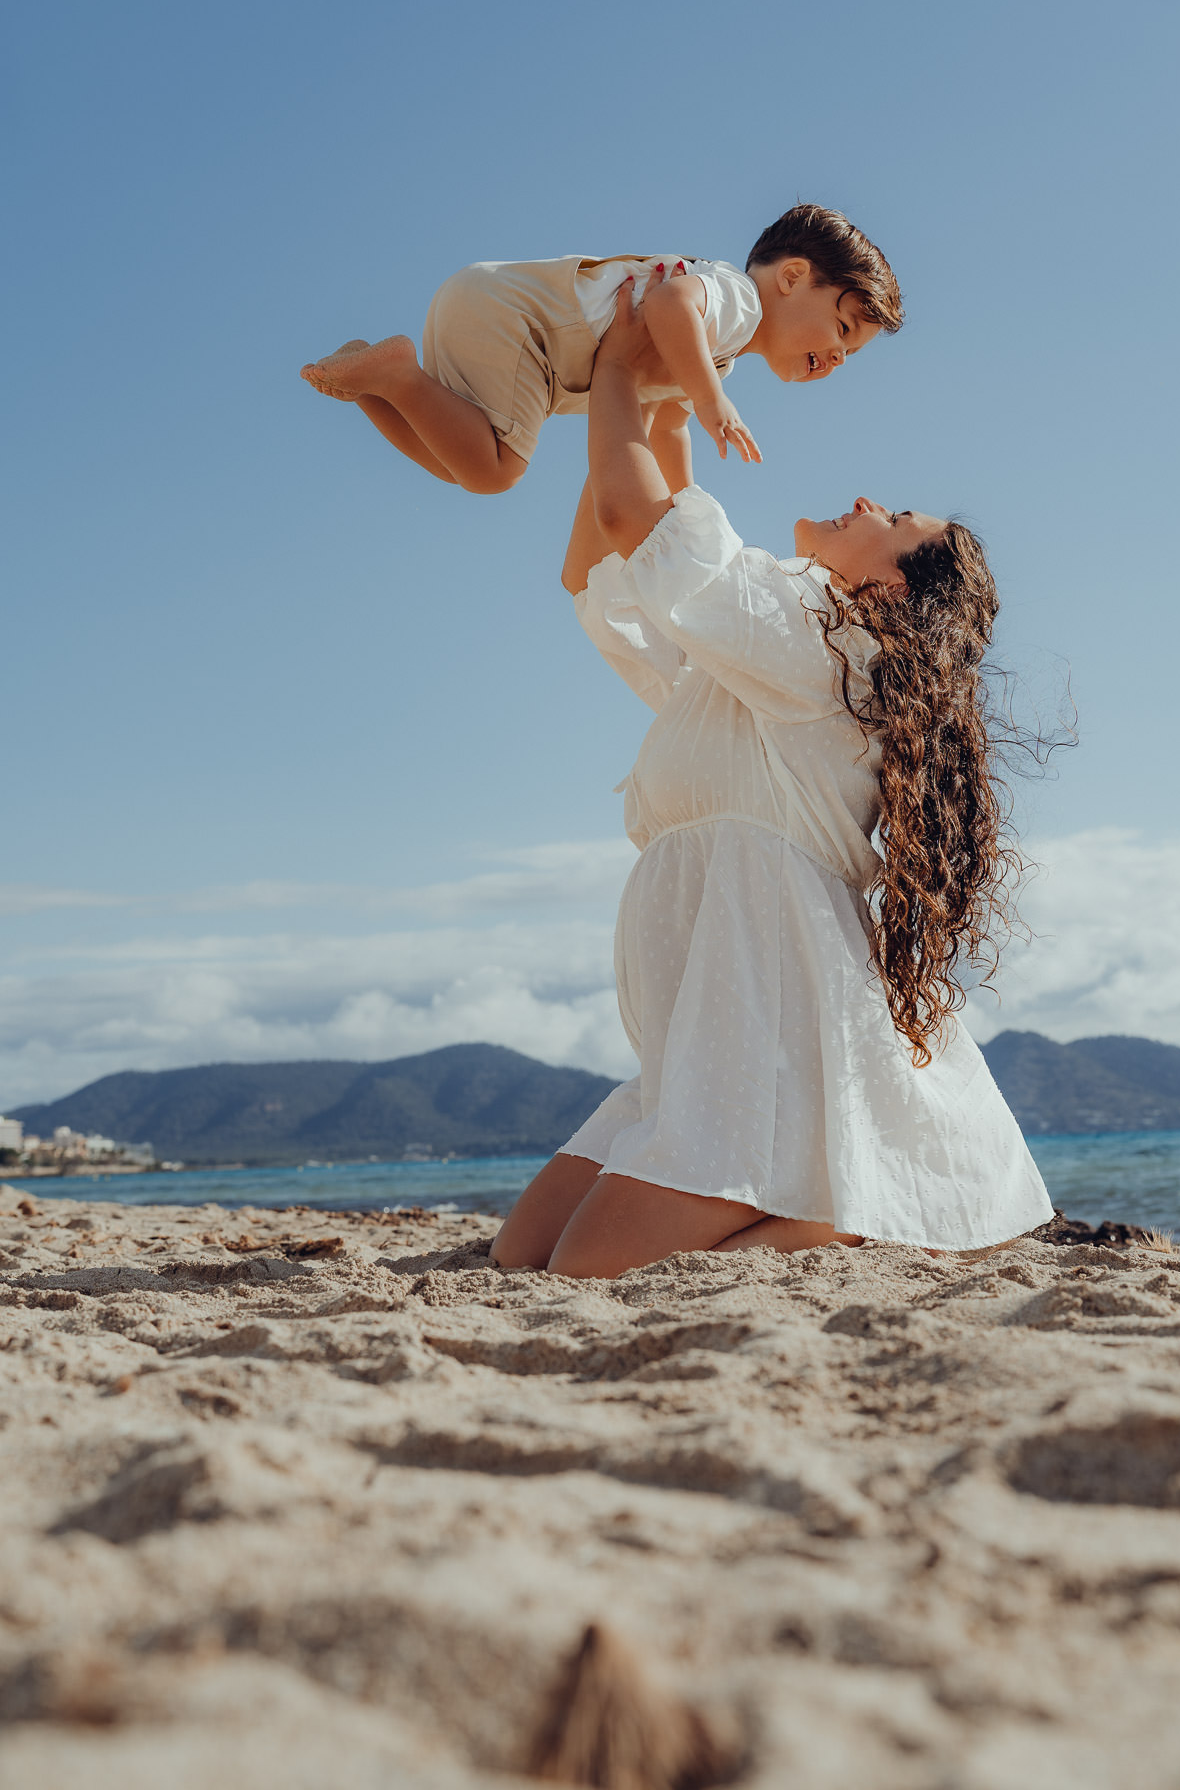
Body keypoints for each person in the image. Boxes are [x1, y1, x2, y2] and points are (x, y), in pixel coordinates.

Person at [489, 275, 1053, 1279]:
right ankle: (840, 1197)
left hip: (763, 1013)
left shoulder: (829, 641)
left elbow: (635, 518)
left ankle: (858, 1215)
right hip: (716, 1009)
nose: (868, 500)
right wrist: (657, 401)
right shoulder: (788, 645)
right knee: (520, 1254)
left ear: (888, 588)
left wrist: (619, 366)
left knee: (579, 1269)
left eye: (898, 517)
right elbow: (609, 564)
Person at [299, 205, 901, 496]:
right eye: (844, 329)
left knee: (460, 464)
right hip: (527, 326)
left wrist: (683, 504)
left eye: (854, 354)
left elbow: (667, 430)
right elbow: (669, 306)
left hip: (494, 309)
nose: (841, 357)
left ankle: (373, 378)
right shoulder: (738, 300)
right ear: (793, 278)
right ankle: (400, 372)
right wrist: (714, 400)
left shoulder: (717, 352)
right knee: (495, 472)